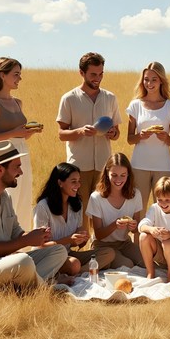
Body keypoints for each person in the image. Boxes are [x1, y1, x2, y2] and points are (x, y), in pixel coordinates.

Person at [0, 141, 68, 292]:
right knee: (22, 261)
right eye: (17, 167)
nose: (21, 172)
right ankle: (46, 290)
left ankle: (17, 287)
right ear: (0, 169)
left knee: (59, 251)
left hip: (1, 264)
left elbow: (17, 234)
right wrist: (26, 241)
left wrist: (36, 235)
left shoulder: (5, 196)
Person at [57, 52, 122, 233]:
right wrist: (79, 131)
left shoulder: (110, 98)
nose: (98, 78)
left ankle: (98, 251)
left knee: (102, 211)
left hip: (103, 166)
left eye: (101, 74)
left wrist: (113, 132)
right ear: (81, 73)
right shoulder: (69, 98)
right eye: (93, 74)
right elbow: (61, 134)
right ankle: (81, 251)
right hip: (78, 167)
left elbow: (117, 133)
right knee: (80, 212)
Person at [0, 57, 42, 231]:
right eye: (16, 74)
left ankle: (22, 246)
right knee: (8, 198)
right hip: (2, 157)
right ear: (3, 75)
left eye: (20, 74)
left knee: (23, 197)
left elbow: (20, 136)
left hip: (22, 153)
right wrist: (15, 133)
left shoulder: (17, 102)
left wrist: (28, 132)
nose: (19, 78)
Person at [33, 163, 116, 277]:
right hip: (48, 257)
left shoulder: (77, 204)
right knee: (74, 264)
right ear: (60, 182)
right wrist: (68, 240)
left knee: (109, 253)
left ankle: (78, 272)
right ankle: (79, 271)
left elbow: (78, 232)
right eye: (73, 181)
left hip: (68, 254)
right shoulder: (43, 207)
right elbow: (40, 246)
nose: (78, 185)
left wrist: (82, 238)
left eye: (79, 181)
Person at [126, 62, 170, 224]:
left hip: (162, 167)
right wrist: (140, 136)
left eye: (154, 80)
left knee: (164, 211)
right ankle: (137, 247)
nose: (149, 84)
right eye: (146, 80)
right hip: (139, 165)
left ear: (161, 80)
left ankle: (161, 248)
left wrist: (166, 138)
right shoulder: (135, 105)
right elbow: (129, 139)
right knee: (138, 210)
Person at [86, 153, 144, 268]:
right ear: (107, 174)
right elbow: (98, 234)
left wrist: (134, 226)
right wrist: (115, 225)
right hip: (103, 245)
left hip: (125, 243)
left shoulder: (136, 194)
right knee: (127, 265)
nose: (119, 179)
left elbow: (135, 230)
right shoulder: (96, 197)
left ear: (128, 175)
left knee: (145, 262)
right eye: (114, 175)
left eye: (123, 175)